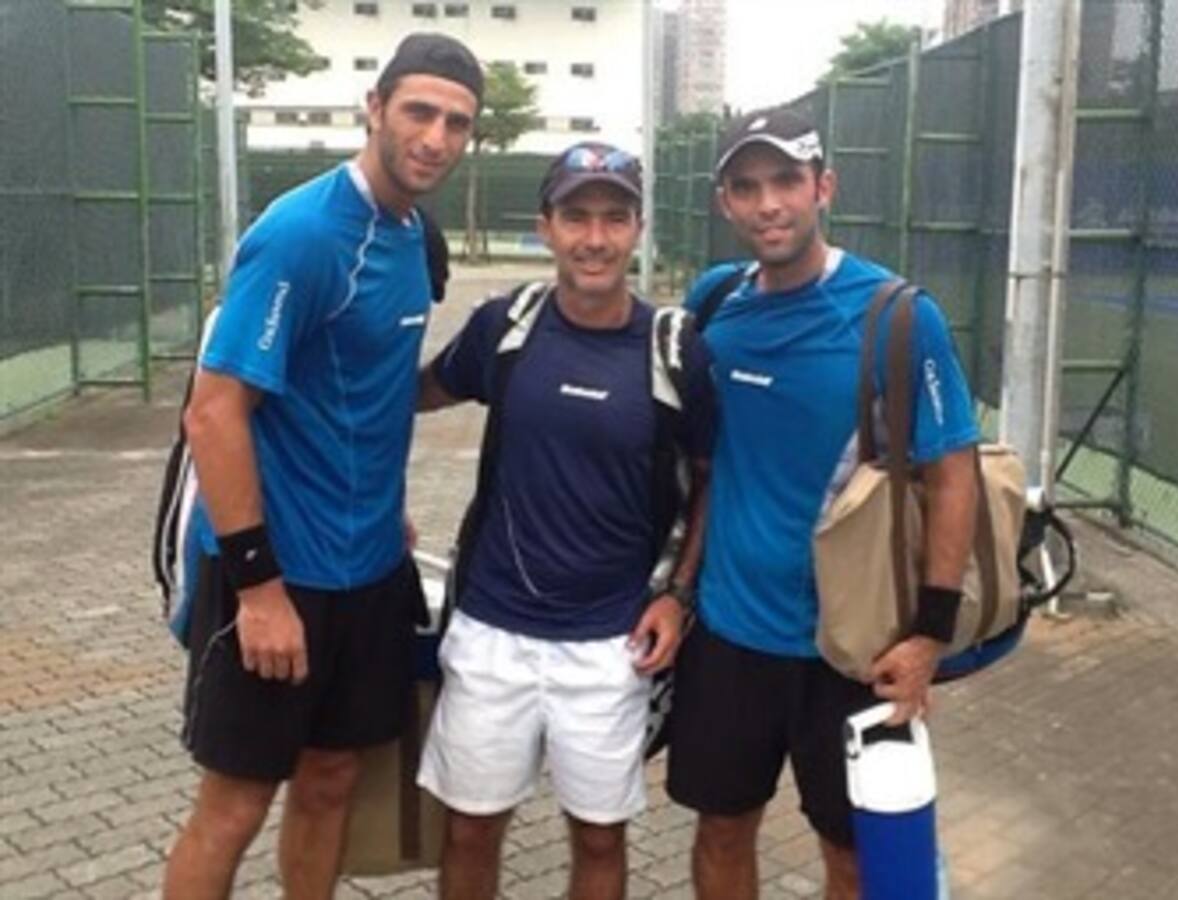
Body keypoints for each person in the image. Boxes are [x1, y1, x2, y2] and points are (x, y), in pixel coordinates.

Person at [162, 33, 482, 900]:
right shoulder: (301, 235)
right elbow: (214, 411)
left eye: (456, 123)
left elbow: (363, 388)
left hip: (370, 570)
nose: (435, 138)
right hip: (278, 573)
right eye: (419, 112)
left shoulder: (413, 237)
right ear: (374, 108)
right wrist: (259, 589)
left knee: (332, 777)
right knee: (234, 803)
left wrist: (386, 503)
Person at [665, 107, 981, 900]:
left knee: (853, 855)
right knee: (721, 830)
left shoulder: (898, 315)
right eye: (746, 187)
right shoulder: (714, 303)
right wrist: (675, 588)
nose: (768, 203)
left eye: (786, 181)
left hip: (852, 650)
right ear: (725, 203)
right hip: (728, 635)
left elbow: (954, 474)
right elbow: (698, 460)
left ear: (823, 187)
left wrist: (930, 634)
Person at [416, 142, 716, 900]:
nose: (595, 238)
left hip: (612, 645)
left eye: (614, 218)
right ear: (546, 226)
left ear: (638, 229)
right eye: (576, 217)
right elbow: (410, 397)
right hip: (491, 632)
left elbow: (709, 480)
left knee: (600, 837)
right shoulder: (505, 327)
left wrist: (677, 596)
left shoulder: (675, 347)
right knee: (470, 829)